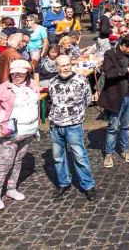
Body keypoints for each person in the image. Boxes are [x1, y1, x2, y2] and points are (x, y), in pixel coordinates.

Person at [0, 58, 40, 210]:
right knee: (4, 164)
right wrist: (0, 123)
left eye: (20, 73)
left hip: (27, 132)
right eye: (14, 72)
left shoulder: (33, 85)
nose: (17, 75)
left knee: (17, 161)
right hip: (7, 135)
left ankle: (11, 188)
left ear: (27, 73)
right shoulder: (2, 89)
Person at [47, 54, 96, 201]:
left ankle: (88, 185)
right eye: (62, 65)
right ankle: (63, 182)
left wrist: (76, 113)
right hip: (56, 124)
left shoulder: (81, 80)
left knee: (80, 156)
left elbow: (88, 100)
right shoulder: (52, 82)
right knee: (58, 157)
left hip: (74, 124)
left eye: (68, 64)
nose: (66, 67)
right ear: (57, 67)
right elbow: (52, 99)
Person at [100, 34, 129, 164]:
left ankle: (125, 149)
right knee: (113, 127)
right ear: (123, 46)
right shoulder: (110, 54)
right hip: (115, 95)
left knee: (126, 126)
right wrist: (126, 70)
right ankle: (109, 153)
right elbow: (109, 73)